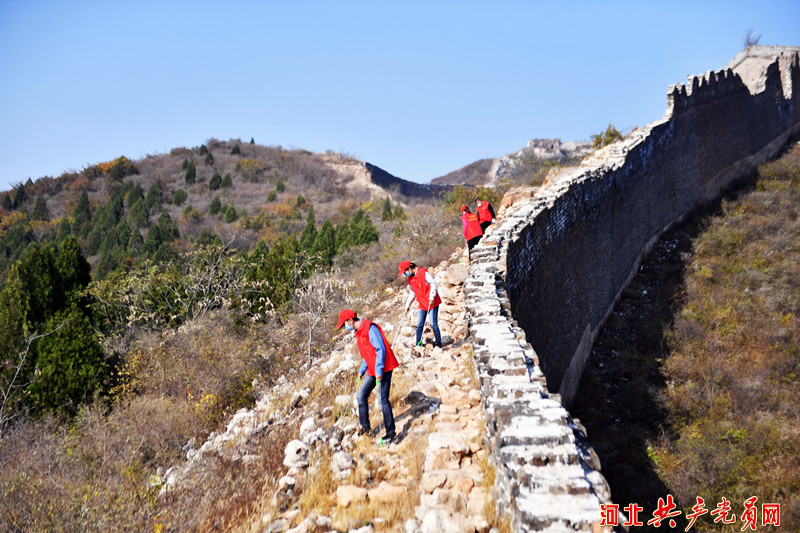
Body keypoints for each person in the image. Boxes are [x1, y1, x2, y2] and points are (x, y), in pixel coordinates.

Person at [336, 309, 398, 443]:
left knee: (383, 400)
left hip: (384, 367)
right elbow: (367, 353)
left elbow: (380, 349)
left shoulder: (370, 328)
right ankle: (365, 428)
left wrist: (379, 370)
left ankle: (391, 433)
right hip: (371, 368)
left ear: (350, 321)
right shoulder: (358, 332)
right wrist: (362, 370)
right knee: (361, 395)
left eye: (344, 324)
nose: (344, 328)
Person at [398, 260, 442, 348]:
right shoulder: (410, 279)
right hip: (422, 303)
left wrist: (432, 296)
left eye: (405, 272)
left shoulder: (423, 273)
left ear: (409, 268)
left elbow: (433, 283)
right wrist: (407, 305)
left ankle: (439, 344)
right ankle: (418, 344)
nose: (405, 274)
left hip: (431, 301)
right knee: (419, 324)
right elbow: (412, 293)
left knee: (433, 324)